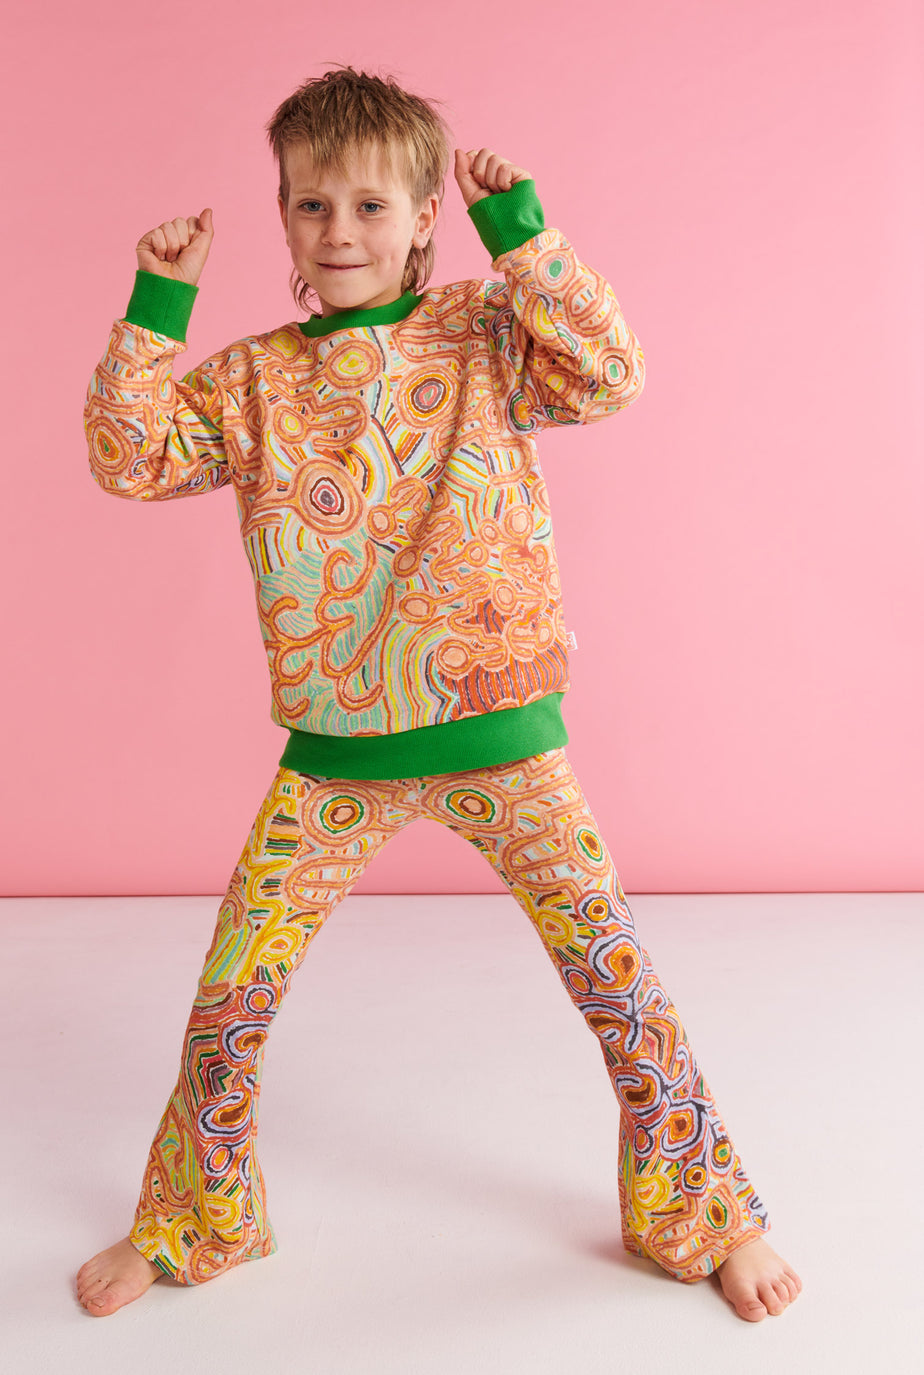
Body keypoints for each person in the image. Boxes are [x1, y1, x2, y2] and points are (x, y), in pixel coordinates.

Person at [77, 66, 802, 1324]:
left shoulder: (484, 332)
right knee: (229, 1001)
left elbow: (610, 372)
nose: (337, 231)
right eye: (311, 205)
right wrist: (158, 303)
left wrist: (522, 236)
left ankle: (704, 1211)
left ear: (423, 218)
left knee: (616, 979)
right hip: (336, 754)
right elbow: (127, 457)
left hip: (501, 738)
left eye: (369, 206)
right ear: (283, 214)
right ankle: (194, 1217)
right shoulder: (251, 382)